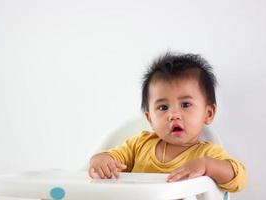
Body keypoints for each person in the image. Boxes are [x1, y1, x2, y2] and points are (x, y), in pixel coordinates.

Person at [88, 52, 247, 192]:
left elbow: (239, 179)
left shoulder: (207, 154)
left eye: (185, 104)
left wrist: (208, 166)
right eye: (163, 107)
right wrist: (102, 160)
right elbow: (114, 157)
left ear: (208, 113)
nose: (173, 115)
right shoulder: (139, 145)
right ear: (150, 119)